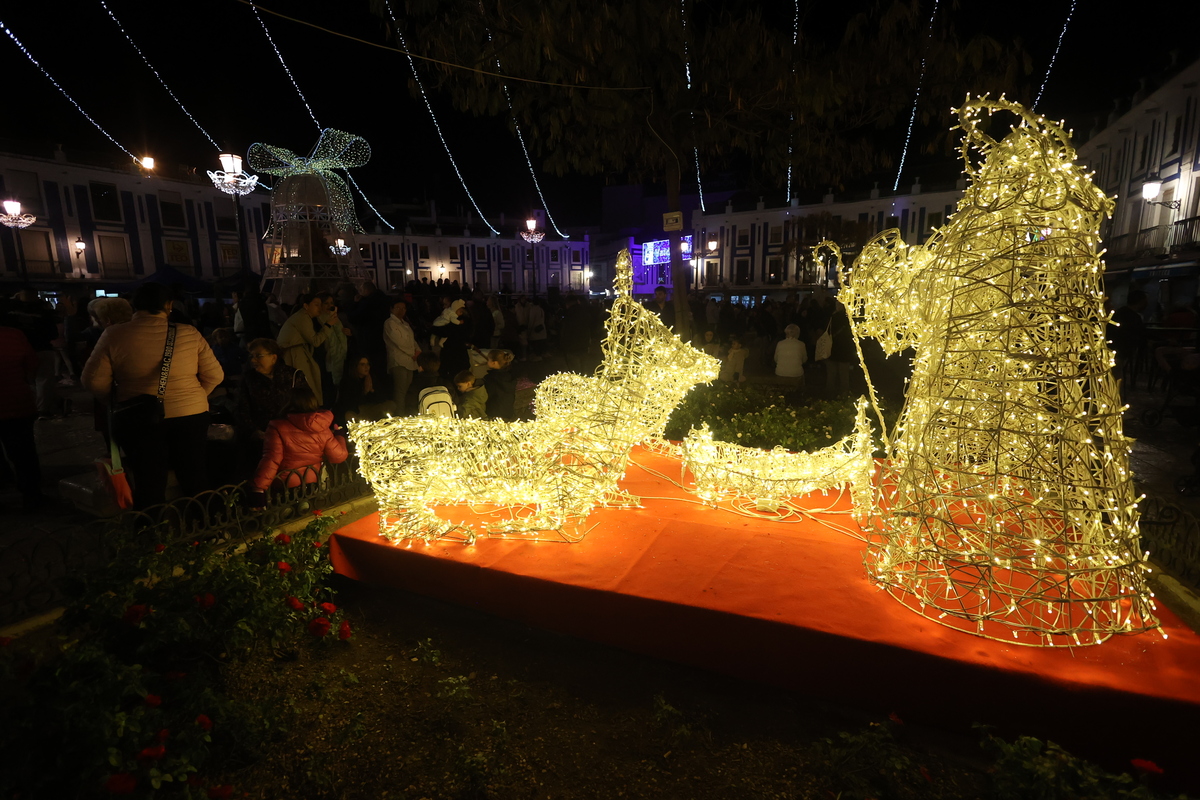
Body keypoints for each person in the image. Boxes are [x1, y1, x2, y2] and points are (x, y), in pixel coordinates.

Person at [81, 282, 223, 508]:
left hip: (140, 418)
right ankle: (205, 531)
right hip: (190, 415)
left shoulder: (114, 335)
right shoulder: (188, 333)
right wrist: (195, 397)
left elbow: (92, 381)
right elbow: (215, 375)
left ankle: (153, 535)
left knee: (149, 481)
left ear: (134, 306)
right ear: (168, 306)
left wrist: (118, 399)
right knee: (195, 476)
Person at [250, 385, 348, 499]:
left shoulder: (278, 427)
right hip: (312, 484)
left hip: (286, 487)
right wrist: (339, 436)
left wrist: (258, 489)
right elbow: (339, 456)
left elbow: (271, 459)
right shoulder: (321, 427)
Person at [0, 320, 44, 511]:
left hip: (15, 402)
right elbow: (31, 363)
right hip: (16, 402)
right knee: (24, 453)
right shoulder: (13, 334)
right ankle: (31, 495)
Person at [235, 338, 309, 443]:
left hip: (291, 435)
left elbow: (306, 405)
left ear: (273, 358)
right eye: (252, 356)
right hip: (262, 435)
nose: (253, 360)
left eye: (258, 356)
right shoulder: (249, 378)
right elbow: (242, 407)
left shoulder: (293, 376)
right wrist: (254, 430)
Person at [276, 293, 337, 407]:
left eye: (320, 305)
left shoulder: (305, 317)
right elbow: (315, 341)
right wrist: (328, 325)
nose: (320, 308)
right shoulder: (302, 318)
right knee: (306, 383)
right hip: (294, 355)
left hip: (297, 352)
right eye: (316, 305)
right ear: (306, 306)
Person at [337, 355, 395, 422]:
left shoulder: (370, 379)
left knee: (391, 405)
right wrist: (364, 392)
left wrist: (372, 391)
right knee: (349, 415)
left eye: (368, 364)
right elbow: (349, 404)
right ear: (356, 366)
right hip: (357, 411)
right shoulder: (348, 381)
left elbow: (382, 399)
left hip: (369, 409)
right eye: (362, 364)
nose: (366, 367)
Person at [384, 298, 418, 410]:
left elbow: (412, 340)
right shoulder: (390, 323)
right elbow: (399, 342)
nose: (401, 310)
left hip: (410, 360)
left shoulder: (405, 323)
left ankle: (404, 412)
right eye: (398, 308)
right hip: (398, 360)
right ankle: (400, 415)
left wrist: (418, 350)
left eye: (403, 308)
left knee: (406, 389)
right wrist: (412, 352)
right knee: (400, 390)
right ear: (391, 309)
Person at [825, 300, 856, 398]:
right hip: (844, 349)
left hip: (833, 347)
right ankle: (844, 393)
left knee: (831, 373)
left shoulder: (832, 317)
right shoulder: (848, 318)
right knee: (844, 374)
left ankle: (830, 392)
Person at [483, 349, 518, 421]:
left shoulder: (491, 378)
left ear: (494, 363)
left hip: (494, 411)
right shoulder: (510, 376)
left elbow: (487, 395)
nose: (487, 362)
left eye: (489, 360)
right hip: (508, 410)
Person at [774, 323, 808, 389]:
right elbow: (804, 359)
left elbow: (776, 359)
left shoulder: (780, 344)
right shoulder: (801, 344)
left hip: (780, 373)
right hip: (796, 374)